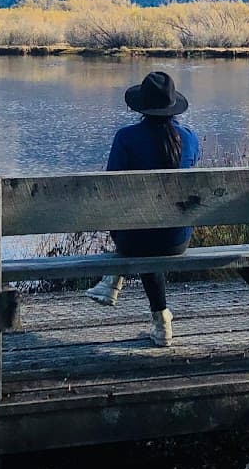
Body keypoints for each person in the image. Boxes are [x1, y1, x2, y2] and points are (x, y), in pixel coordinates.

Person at [82, 70, 200, 347]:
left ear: (141, 107)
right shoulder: (190, 139)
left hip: (133, 240)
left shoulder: (126, 137)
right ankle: (158, 321)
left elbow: (111, 189)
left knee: (141, 228)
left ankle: (114, 280)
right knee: (153, 226)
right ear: (172, 106)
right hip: (177, 240)